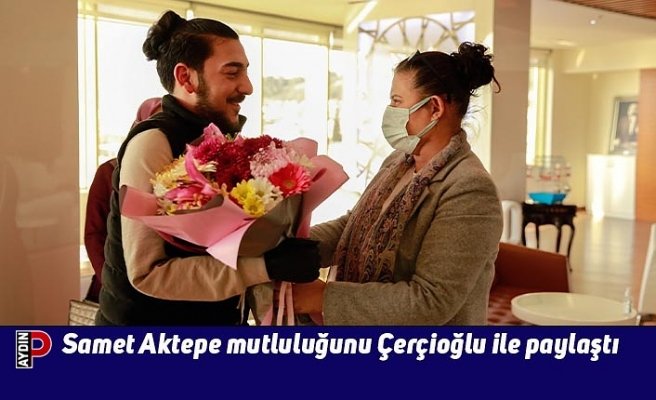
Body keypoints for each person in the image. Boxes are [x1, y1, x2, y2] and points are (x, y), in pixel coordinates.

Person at [96, 10, 320, 325]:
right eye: (232, 73)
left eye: (246, 72)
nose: (248, 87)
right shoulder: (153, 142)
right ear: (185, 77)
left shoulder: (220, 138)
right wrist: (264, 267)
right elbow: (148, 274)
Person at [293, 42, 504, 325]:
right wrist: (295, 247)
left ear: (434, 107)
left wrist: (322, 297)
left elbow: (430, 301)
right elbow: (353, 225)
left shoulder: (470, 189)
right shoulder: (398, 161)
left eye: (396, 101)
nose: (389, 110)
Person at [83, 97, 162, 303]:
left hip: (160, 286)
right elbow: (94, 235)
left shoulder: (178, 174)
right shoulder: (108, 172)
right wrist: (111, 281)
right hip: (114, 286)